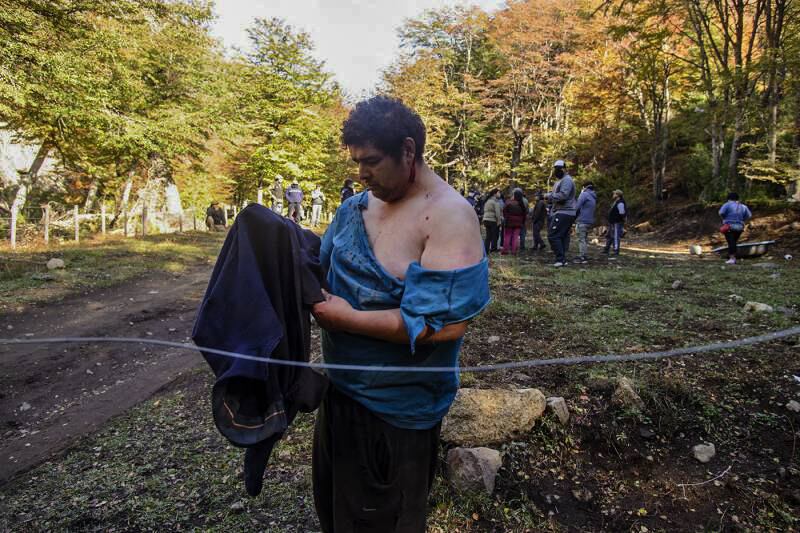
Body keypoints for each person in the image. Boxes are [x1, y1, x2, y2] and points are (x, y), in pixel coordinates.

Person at [311, 95, 490, 532]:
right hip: (339, 396)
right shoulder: (356, 206)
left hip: (399, 413)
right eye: (357, 161)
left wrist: (344, 319)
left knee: (385, 523)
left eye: (371, 161)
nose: (362, 173)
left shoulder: (447, 216)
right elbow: (318, 263)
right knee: (336, 516)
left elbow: (446, 325)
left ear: (408, 151)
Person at [545, 160, 577, 266]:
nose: (557, 171)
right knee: (562, 236)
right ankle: (562, 259)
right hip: (562, 211)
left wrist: (547, 196)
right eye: (555, 168)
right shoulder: (559, 181)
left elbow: (563, 195)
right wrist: (547, 195)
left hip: (565, 211)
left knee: (553, 235)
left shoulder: (567, 180)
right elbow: (556, 195)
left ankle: (560, 259)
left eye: (559, 168)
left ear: (564, 169)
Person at [719, 192, 752, 264]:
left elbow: (721, 213)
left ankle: (732, 258)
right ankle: (733, 257)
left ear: (728, 199)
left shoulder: (727, 205)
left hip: (729, 226)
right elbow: (749, 215)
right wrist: (742, 219)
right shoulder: (743, 206)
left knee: (731, 242)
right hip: (740, 227)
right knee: (734, 242)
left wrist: (724, 218)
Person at [574, 182, 597, 263]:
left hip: (582, 220)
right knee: (584, 239)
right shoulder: (593, 196)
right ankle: (584, 254)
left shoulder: (584, 195)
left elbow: (577, 206)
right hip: (589, 220)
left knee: (581, 239)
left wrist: (581, 193)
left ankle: (582, 256)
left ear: (584, 187)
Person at [502, 189, 527, 255]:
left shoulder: (508, 202)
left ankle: (505, 250)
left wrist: (506, 218)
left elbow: (504, 211)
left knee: (507, 236)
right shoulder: (521, 204)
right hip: (518, 223)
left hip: (509, 222)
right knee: (515, 237)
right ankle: (514, 251)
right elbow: (524, 214)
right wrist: (522, 222)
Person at [603, 189, 627, 256]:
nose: (613, 195)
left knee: (616, 236)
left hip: (617, 222)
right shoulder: (616, 202)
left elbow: (622, 213)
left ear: (618, 195)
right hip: (613, 222)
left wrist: (621, 220)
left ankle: (616, 250)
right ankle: (607, 249)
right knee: (610, 236)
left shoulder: (620, 203)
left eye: (614, 194)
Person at [481, 189, 502, 253]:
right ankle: (493, 249)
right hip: (493, 220)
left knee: (488, 236)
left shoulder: (487, 201)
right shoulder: (495, 201)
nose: (500, 194)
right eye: (499, 192)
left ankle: (486, 250)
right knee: (495, 235)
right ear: (495, 194)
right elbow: (497, 213)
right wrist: (499, 222)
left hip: (486, 219)